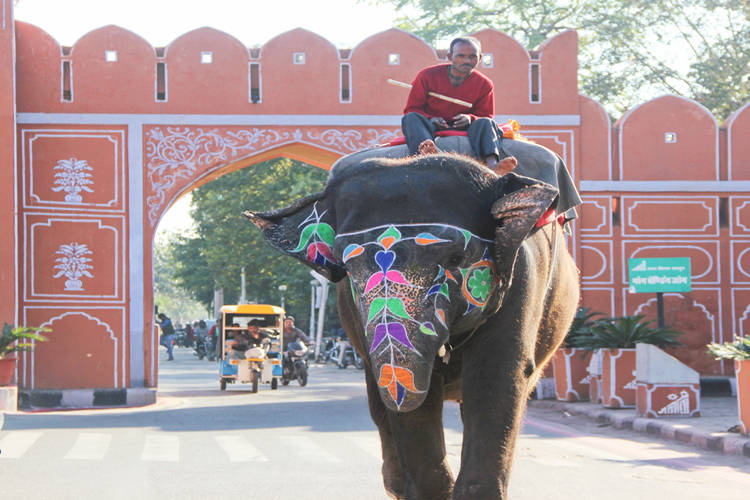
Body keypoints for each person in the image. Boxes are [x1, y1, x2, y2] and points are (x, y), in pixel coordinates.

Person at [401, 36, 517, 175]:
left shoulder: (484, 83)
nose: (467, 61)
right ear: (450, 56)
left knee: (486, 122)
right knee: (411, 118)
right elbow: (412, 108)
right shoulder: (427, 75)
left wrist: (469, 118)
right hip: (431, 124)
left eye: (472, 57)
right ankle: (427, 154)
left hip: (467, 127)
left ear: (479, 58)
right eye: (461, 56)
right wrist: (432, 119)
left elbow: (485, 114)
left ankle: (492, 164)